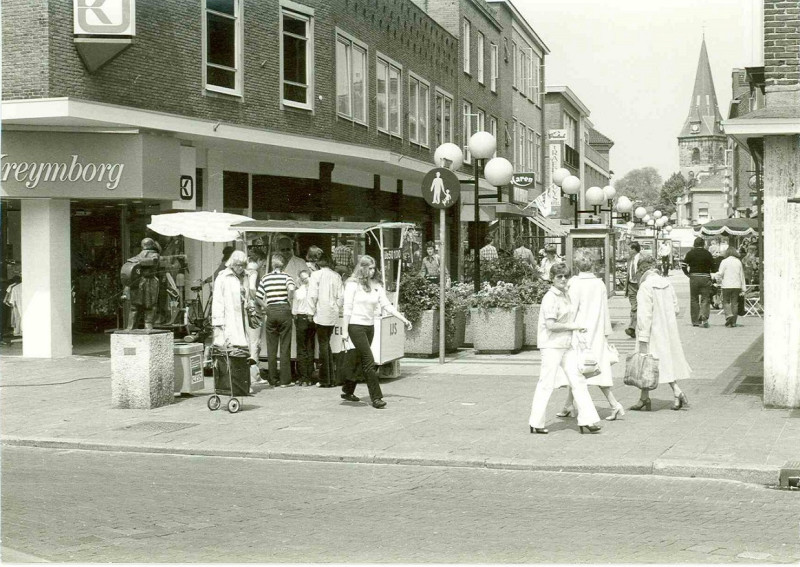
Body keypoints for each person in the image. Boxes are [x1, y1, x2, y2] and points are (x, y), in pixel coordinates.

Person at [528, 262, 602, 434]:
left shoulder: (565, 295)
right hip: (551, 346)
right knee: (546, 383)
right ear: (552, 279)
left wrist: (574, 328)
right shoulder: (550, 297)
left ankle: (588, 420)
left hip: (566, 345)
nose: (563, 279)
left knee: (578, 380)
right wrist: (574, 326)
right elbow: (551, 325)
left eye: (565, 276)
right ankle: (536, 422)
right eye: (559, 276)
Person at [558, 253, 625, 421]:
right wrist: (606, 332)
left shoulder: (574, 283)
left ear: (577, 266)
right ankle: (568, 405)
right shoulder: (599, 283)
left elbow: (570, 310)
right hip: (596, 332)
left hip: (579, 332)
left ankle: (615, 404)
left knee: (579, 369)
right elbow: (605, 310)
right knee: (593, 369)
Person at [341, 255, 413, 409]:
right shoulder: (352, 285)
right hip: (355, 325)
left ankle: (347, 390)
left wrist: (403, 319)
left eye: (374, 268)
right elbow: (347, 308)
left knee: (359, 359)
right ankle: (376, 398)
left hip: (369, 326)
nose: (372, 271)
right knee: (368, 360)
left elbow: (387, 305)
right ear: (362, 268)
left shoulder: (376, 286)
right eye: (369, 268)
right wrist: (344, 330)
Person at [630, 254, 691, 411]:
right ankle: (644, 398)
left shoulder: (645, 287)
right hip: (667, 330)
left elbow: (644, 315)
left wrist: (642, 336)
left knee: (649, 363)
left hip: (651, 332)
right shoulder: (666, 283)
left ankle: (676, 392)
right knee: (657, 363)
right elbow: (676, 308)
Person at [211, 250, 253, 393]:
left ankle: (243, 383)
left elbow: (247, 295)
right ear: (232, 264)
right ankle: (231, 382)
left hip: (242, 316)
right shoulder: (223, 277)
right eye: (237, 265)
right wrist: (218, 322)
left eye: (242, 265)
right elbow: (217, 300)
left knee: (243, 350)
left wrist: (248, 302)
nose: (240, 268)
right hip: (229, 319)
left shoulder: (246, 276)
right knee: (230, 349)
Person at [257, 253, 296, 387]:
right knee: (285, 346)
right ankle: (285, 380)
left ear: (273, 264)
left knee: (271, 347)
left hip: (271, 311)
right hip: (284, 310)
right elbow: (291, 289)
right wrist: (289, 302)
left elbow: (258, 297)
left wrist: (266, 307)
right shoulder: (287, 277)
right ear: (284, 264)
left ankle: (273, 379)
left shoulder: (265, 278)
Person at [307, 255, 344, 388]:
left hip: (321, 312)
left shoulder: (316, 275)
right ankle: (329, 377)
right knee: (326, 343)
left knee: (323, 344)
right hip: (332, 312)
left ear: (318, 264)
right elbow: (341, 297)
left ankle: (325, 378)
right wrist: (336, 307)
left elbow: (312, 295)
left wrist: (310, 312)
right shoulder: (336, 276)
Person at [123, 237, 161, 330]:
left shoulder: (154, 255)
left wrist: (138, 261)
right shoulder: (139, 255)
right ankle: (131, 326)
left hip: (150, 281)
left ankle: (148, 325)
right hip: (139, 281)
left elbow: (153, 261)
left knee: (150, 305)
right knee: (135, 305)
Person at [244, 248, 268, 383]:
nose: (263, 266)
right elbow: (253, 289)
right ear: (259, 260)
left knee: (249, 341)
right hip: (254, 309)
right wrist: (262, 303)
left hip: (246, 308)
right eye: (262, 263)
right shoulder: (253, 271)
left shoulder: (244, 271)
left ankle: (252, 373)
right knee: (255, 342)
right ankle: (254, 375)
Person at [682, 236, 715, 328]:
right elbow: (713, 267)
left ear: (694, 244)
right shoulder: (708, 253)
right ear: (703, 244)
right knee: (705, 298)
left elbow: (683, 265)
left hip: (694, 277)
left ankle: (696, 321)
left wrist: (687, 274)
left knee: (694, 298)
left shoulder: (690, 253)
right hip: (705, 277)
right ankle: (703, 316)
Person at [292, 269, 316, 386]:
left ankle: (303, 377)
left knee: (301, 348)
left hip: (301, 318)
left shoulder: (298, 292)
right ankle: (310, 376)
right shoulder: (314, 291)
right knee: (310, 346)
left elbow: (294, 310)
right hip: (311, 319)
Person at [714, 247, 747, 328]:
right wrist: (743, 288)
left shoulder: (724, 261)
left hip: (726, 285)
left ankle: (729, 315)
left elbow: (720, 273)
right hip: (737, 285)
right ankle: (734, 322)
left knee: (725, 301)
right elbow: (741, 275)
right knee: (735, 303)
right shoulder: (738, 262)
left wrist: (716, 277)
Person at [624, 242, 642, 338]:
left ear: (635, 249)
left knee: (641, 306)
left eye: (630, 249)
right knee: (634, 306)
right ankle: (632, 328)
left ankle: (633, 328)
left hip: (640, 285)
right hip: (631, 285)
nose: (628, 251)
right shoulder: (629, 259)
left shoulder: (643, 258)